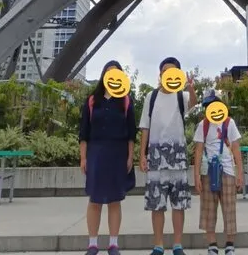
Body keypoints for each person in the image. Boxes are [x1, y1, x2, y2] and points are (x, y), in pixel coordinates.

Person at [139, 57, 197, 255]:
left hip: (178, 159)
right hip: (155, 158)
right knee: (157, 204)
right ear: (160, 74)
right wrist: (142, 154)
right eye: (165, 71)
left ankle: (178, 245)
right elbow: (144, 127)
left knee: (178, 204)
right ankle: (158, 245)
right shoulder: (151, 96)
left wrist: (190, 87)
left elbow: (194, 105)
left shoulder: (182, 96)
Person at [79, 60, 136, 255]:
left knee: (114, 200)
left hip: (118, 153)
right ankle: (93, 244)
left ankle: (113, 243)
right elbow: (83, 132)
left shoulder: (126, 101)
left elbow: (131, 133)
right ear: (103, 76)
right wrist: (83, 157)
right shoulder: (92, 101)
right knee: (94, 199)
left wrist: (130, 157)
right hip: (96, 152)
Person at [193, 90, 244, 255]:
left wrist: (240, 174)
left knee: (229, 208)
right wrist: (196, 177)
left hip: (228, 171)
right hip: (208, 171)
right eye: (207, 106)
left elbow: (236, 149)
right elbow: (198, 151)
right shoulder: (203, 125)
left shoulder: (229, 123)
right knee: (209, 209)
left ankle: (230, 243)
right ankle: (212, 244)